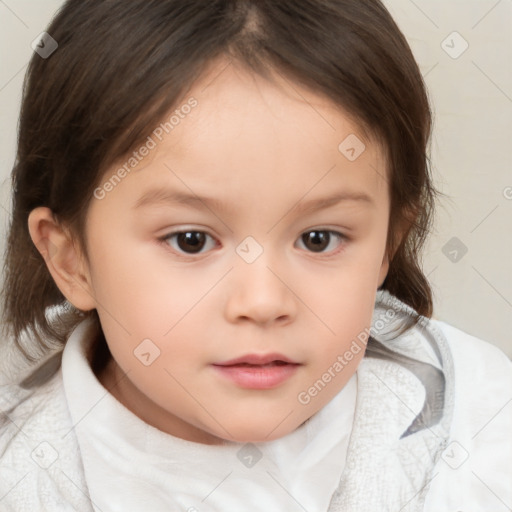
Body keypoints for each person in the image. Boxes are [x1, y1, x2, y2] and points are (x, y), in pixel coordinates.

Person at [1, 1, 510, 510]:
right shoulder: (21, 473)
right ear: (71, 260)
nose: (263, 302)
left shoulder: (477, 428)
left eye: (319, 238)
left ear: (385, 247)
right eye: (191, 240)